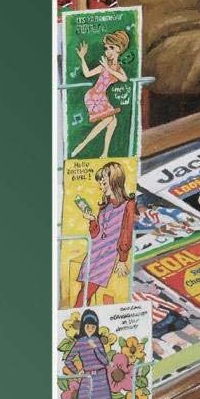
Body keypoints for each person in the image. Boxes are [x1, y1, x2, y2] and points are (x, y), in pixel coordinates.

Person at [76, 161, 136, 307]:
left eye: (104, 181)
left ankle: (75, 315)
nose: (101, 185)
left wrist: (122, 259)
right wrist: (92, 220)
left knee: (85, 294)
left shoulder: (128, 205)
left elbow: (127, 232)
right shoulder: (105, 207)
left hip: (106, 256)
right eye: (100, 182)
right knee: (84, 292)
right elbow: (96, 235)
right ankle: (79, 316)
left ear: (114, 181)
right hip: (94, 252)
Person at [71, 30, 131, 158]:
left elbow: (124, 78)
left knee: (113, 122)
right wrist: (82, 58)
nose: (107, 51)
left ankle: (104, 153)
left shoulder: (116, 68)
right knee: (109, 119)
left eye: (111, 48)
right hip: (93, 96)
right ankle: (82, 144)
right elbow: (87, 74)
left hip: (102, 97)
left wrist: (108, 69)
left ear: (119, 49)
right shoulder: (103, 66)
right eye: (106, 48)